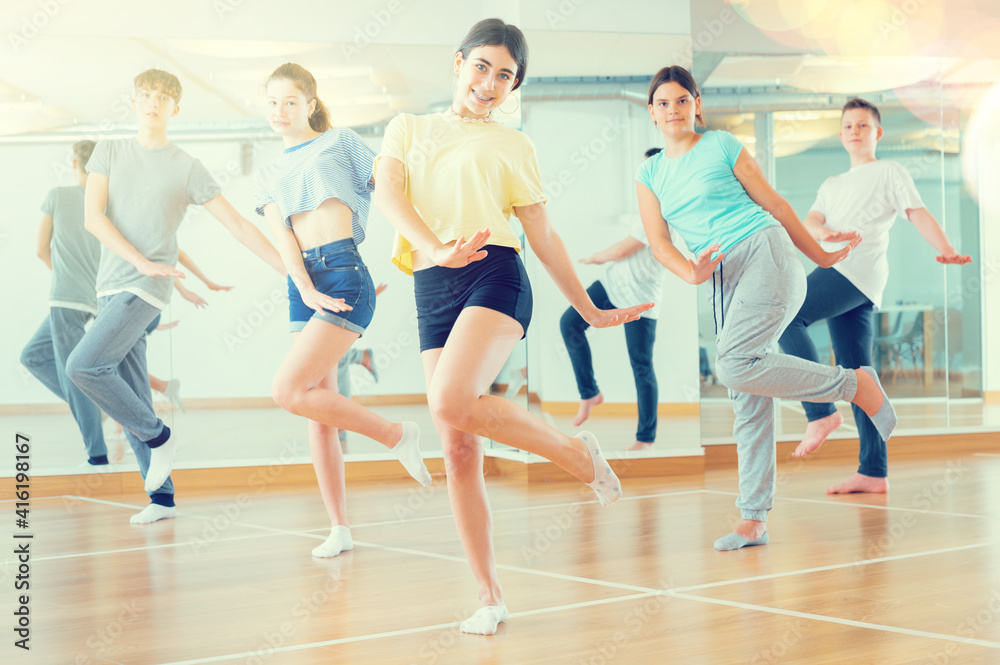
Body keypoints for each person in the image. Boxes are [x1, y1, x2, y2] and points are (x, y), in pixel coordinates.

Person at [373, 18, 650, 635]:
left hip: (494, 274)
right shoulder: (409, 128)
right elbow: (388, 195)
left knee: (448, 399)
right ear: (458, 63)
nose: (490, 83)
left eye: (505, 76)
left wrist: (586, 306)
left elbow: (543, 235)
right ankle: (489, 595)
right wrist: (434, 249)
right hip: (432, 281)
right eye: (482, 67)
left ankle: (575, 454)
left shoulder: (514, 145)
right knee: (456, 442)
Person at [635, 66, 897, 551]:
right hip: (718, 275)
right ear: (652, 112)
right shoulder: (650, 173)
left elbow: (774, 204)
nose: (673, 110)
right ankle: (753, 519)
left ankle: (852, 385)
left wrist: (817, 257)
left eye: (681, 100)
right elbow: (658, 243)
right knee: (745, 389)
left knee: (733, 364)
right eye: (663, 103)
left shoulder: (721, 145)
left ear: (697, 104)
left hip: (764, 252)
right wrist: (689, 272)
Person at [66, 69, 285, 525]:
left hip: (145, 287)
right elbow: (93, 218)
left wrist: (292, 272)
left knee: (82, 366)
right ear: (134, 101)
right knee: (131, 387)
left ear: (175, 109)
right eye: (145, 94)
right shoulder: (109, 151)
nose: (152, 103)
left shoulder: (186, 166)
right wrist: (137, 260)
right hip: (111, 284)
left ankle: (159, 436)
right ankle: (161, 498)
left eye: (162, 98)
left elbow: (240, 226)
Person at [255, 63, 432, 558]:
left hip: (341, 270)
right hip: (303, 285)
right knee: (316, 412)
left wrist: (429, 247)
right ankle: (340, 527)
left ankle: (396, 434)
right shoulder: (268, 171)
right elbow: (283, 237)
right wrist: (303, 289)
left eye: (290, 101)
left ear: (310, 104)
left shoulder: (341, 143)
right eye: (271, 102)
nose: (280, 112)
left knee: (287, 391)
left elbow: (394, 188)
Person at [777, 98, 972, 495]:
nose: (854, 131)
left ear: (877, 133)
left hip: (855, 270)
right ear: (840, 134)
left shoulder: (889, 171)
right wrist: (822, 232)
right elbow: (811, 219)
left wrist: (947, 248)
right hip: (838, 266)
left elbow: (917, 212)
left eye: (862, 125)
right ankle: (873, 470)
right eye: (848, 125)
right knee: (858, 371)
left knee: (785, 315)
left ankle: (820, 412)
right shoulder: (832, 185)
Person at [560, 147, 667, 452]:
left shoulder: (665, 210)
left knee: (641, 365)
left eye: (651, 171)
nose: (645, 177)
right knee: (570, 323)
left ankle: (645, 438)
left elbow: (624, 249)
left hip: (642, 298)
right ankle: (589, 392)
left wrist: (596, 257)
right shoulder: (646, 206)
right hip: (612, 285)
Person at [20, 140, 108, 468]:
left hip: (64, 298)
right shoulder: (105, 203)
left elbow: (41, 250)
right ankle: (94, 408)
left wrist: (64, 276)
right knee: (32, 355)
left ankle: (97, 455)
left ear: (75, 162)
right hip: (91, 299)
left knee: (74, 375)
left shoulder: (57, 196)